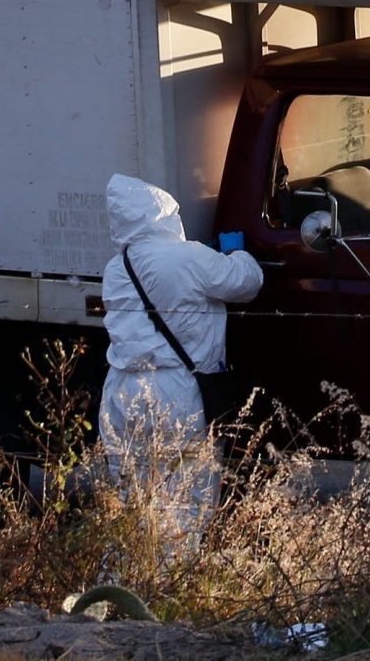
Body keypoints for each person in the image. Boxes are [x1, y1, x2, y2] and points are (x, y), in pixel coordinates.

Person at [97, 173, 263, 540]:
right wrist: (237, 252)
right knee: (186, 497)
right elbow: (246, 283)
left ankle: (125, 581)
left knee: (132, 499)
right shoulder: (189, 257)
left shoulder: (116, 267)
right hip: (173, 391)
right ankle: (171, 585)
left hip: (121, 391)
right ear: (163, 215)